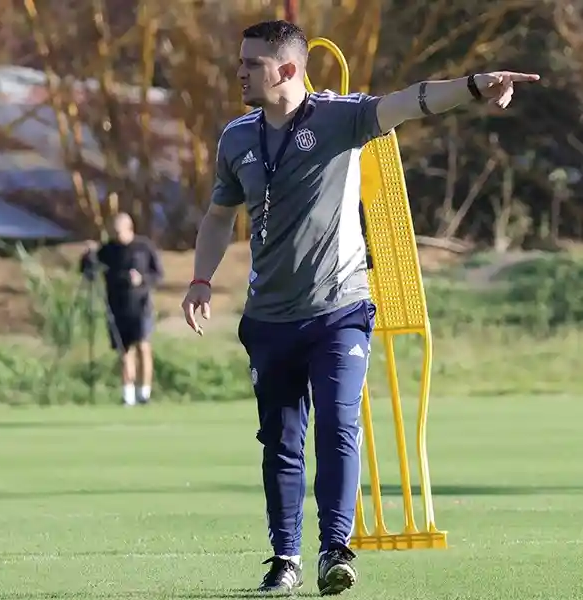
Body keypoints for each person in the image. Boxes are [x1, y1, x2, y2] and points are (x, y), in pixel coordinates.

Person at [180, 20, 538, 596]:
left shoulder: (338, 117)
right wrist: (201, 277)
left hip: (339, 309)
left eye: (252, 63)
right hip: (268, 319)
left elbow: (411, 102)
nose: (240, 71)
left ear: (289, 70)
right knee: (280, 441)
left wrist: (475, 84)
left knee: (340, 424)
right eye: (240, 61)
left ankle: (335, 550)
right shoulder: (236, 137)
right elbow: (221, 215)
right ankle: (285, 558)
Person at [80, 213, 163, 406]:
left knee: (143, 347)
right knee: (124, 352)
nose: (116, 235)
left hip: (141, 305)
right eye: (113, 232)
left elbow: (158, 274)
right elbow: (88, 271)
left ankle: (145, 393)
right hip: (116, 306)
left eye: (119, 231)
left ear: (129, 228)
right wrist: (88, 255)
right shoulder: (108, 249)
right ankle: (128, 395)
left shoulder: (144, 247)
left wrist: (142, 279)